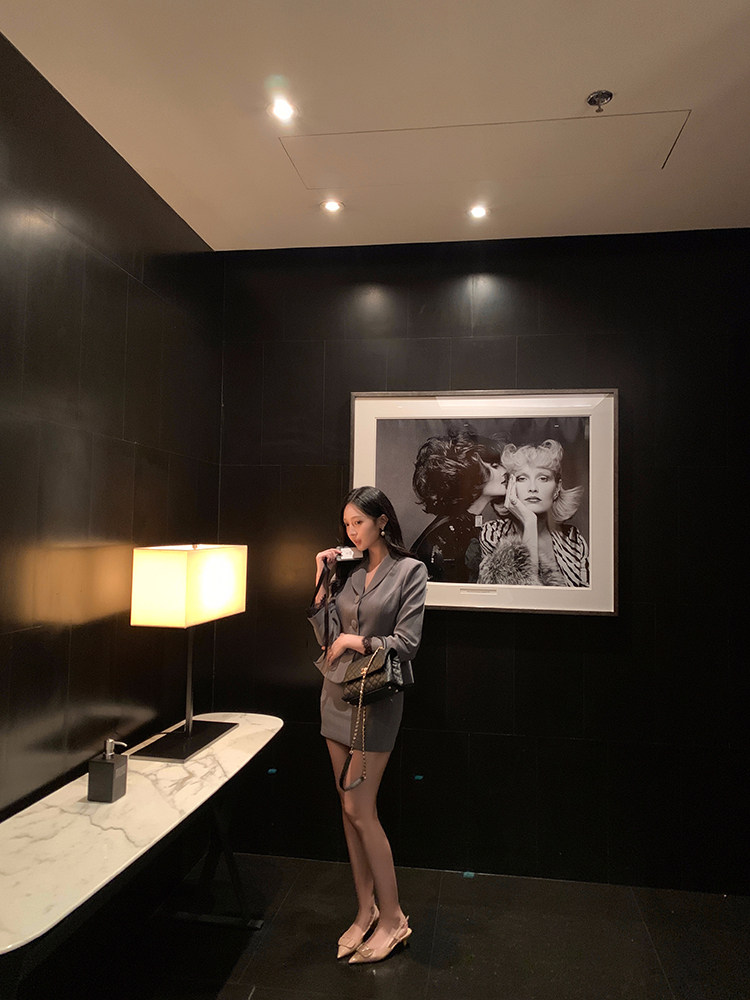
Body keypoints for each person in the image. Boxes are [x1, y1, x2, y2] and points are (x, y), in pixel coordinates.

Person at [309, 486, 427, 964]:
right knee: (347, 809)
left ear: (381, 521)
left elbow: (408, 643)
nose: (351, 531)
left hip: (376, 700)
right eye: (346, 524)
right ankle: (365, 911)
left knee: (361, 808)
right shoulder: (349, 572)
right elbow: (325, 635)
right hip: (335, 695)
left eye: (358, 522)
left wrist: (355, 642)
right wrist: (322, 578)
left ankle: (394, 919)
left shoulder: (410, 571)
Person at [479, 439, 589, 587]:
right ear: (510, 486)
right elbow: (522, 594)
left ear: (557, 488)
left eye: (543, 478)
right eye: (522, 478)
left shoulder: (573, 539)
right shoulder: (493, 533)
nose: (532, 488)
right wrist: (529, 522)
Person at [411, 426, 509, 582]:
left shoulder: (466, 525)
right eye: (495, 466)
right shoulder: (448, 535)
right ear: (471, 473)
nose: (505, 472)